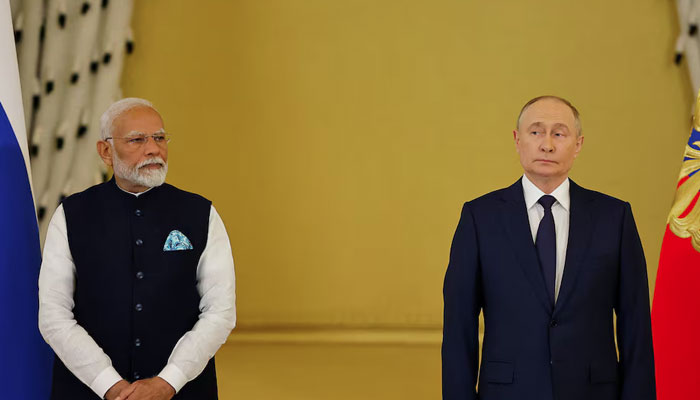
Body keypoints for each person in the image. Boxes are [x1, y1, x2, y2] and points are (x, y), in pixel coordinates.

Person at [441, 96, 655, 400]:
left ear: (578, 144)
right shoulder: (480, 218)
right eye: (536, 132)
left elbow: (636, 326)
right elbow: (458, 327)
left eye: (559, 133)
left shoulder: (614, 217)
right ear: (517, 140)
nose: (547, 144)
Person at [38, 98, 236, 400]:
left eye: (159, 138)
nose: (153, 149)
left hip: (182, 391)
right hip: (87, 390)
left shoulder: (200, 213)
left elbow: (220, 313)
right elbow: (54, 316)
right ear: (106, 151)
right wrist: (111, 386)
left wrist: (167, 382)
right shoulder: (72, 214)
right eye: (137, 140)